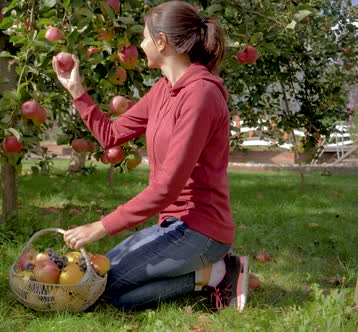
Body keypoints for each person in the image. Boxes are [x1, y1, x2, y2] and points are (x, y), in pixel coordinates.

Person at [52, 1, 249, 312]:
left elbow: (167, 187)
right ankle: (207, 274)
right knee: (100, 283)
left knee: (105, 286)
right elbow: (111, 136)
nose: (140, 45)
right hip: (171, 225)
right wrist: (77, 91)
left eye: (144, 37)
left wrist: (100, 226)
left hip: (202, 229)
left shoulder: (201, 95)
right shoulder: (163, 89)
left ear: (161, 42)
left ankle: (219, 270)